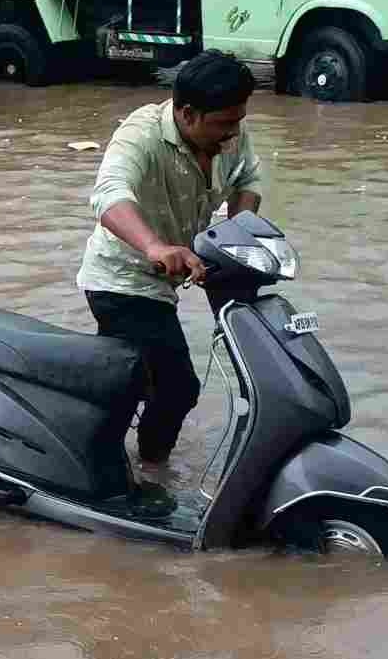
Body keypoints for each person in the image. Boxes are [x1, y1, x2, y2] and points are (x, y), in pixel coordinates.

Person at [79, 49, 262, 471]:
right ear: (186, 113)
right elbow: (108, 195)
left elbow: (247, 179)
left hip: (176, 271)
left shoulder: (230, 131)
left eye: (238, 121)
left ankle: (115, 456)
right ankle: (148, 471)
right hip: (121, 279)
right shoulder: (141, 134)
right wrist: (155, 247)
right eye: (223, 124)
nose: (233, 135)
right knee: (177, 387)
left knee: (141, 379)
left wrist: (239, 231)